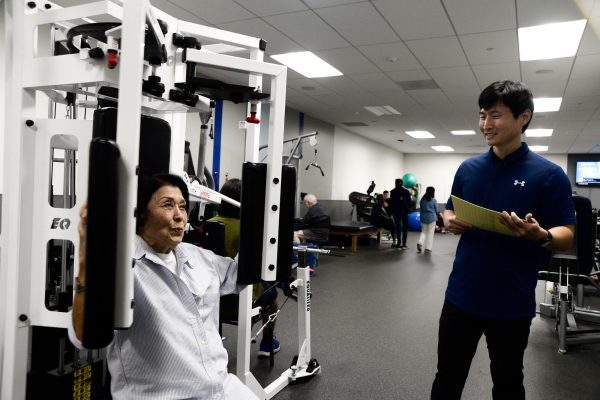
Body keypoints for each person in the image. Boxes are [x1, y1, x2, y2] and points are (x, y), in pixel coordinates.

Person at [431, 80, 576, 400]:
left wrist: (542, 235)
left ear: (524, 117)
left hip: (511, 300)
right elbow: (450, 209)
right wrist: (449, 220)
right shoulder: (468, 169)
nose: (485, 124)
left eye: (495, 115)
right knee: (447, 377)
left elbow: (566, 235)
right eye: (482, 115)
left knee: (508, 382)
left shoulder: (549, 175)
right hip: (461, 295)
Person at [70, 174, 259, 400]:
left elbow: (239, 273)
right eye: (168, 205)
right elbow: (84, 336)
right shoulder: (123, 266)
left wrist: (260, 221)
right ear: (140, 214)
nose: (179, 216)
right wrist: (85, 259)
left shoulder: (197, 257)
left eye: (182, 207)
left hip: (221, 389)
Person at [208, 178, 280, 357]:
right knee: (272, 297)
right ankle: (267, 343)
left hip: (213, 298)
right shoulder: (248, 230)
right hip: (242, 300)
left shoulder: (208, 224)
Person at [389, 179, 411, 249]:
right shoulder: (406, 191)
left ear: (395, 183)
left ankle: (398, 243)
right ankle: (404, 244)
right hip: (405, 212)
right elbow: (409, 202)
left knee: (398, 228)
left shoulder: (393, 192)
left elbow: (391, 203)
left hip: (396, 212)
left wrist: (391, 212)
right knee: (405, 228)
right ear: (402, 184)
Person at [417, 186, 438, 254]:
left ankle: (420, 242)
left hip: (423, 218)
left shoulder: (422, 200)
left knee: (424, 232)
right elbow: (437, 210)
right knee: (430, 234)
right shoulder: (434, 200)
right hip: (432, 218)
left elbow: (421, 209)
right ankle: (428, 248)